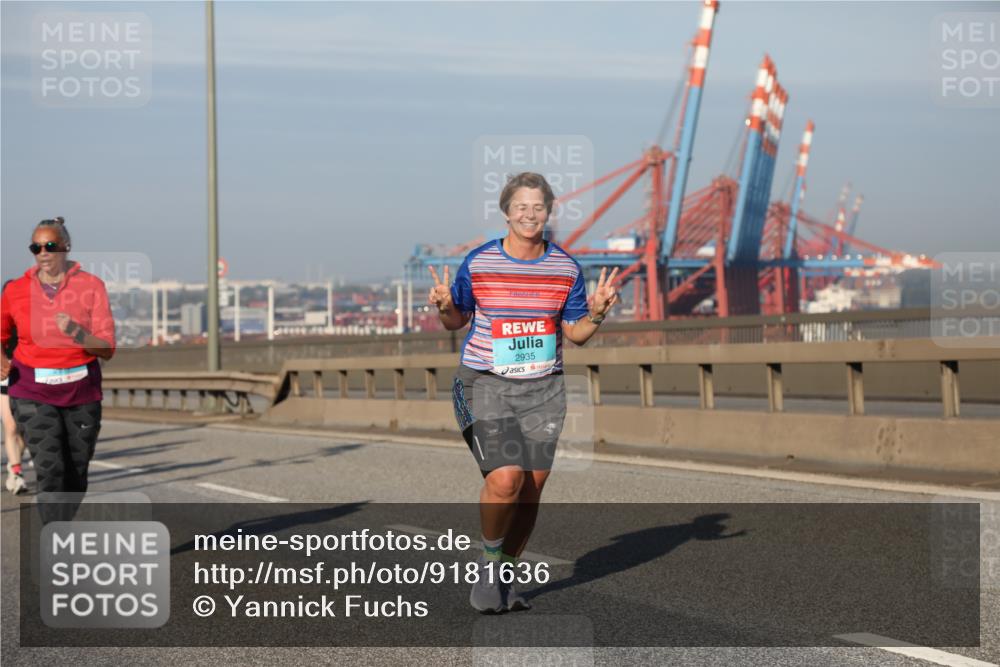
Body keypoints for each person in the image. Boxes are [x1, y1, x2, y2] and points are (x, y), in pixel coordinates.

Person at [429, 172, 618, 613]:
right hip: (485, 383)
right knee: (506, 479)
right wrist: (445, 307)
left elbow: (575, 333)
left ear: (548, 212)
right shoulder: (479, 262)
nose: (530, 214)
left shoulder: (565, 268)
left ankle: (506, 574)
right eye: (521, 207)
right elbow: (457, 319)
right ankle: (489, 565)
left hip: (544, 390)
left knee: (531, 489)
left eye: (538, 207)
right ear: (506, 212)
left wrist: (597, 314)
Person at [0, 218, 115, 521]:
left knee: (76, 475)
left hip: (82, 393)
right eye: (36, 247)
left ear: (66, 247)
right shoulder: (16, 290)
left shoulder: (91, 286)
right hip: (32, 390)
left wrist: (77, 332)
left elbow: (107, 348)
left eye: (50, 246)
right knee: (51, 470)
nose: (43, 252)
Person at [1, 280, 28, 495]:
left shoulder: (28, 318)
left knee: (25, 429)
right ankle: (17, 473)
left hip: (26, 377)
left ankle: (14, 463)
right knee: (10, 426)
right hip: (4, 376)